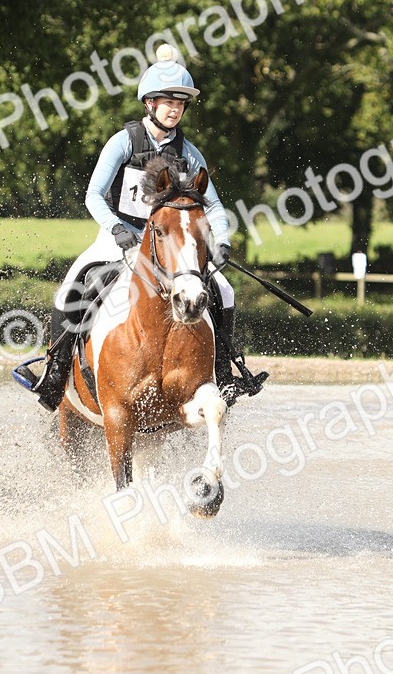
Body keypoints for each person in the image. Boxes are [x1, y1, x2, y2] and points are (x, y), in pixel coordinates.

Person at [26, 44, 267, 410]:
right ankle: (54, 375)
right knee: (72, 287)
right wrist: (116, 229)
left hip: (169, 245)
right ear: (149, 103)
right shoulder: (124, 142)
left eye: (180, 103)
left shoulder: (189, 152)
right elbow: (94, 194)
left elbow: (213, 205)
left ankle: (224, 373)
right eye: (167, 101)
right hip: (122, 237)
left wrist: (223, 241)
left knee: (225, 290)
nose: (175, 109)